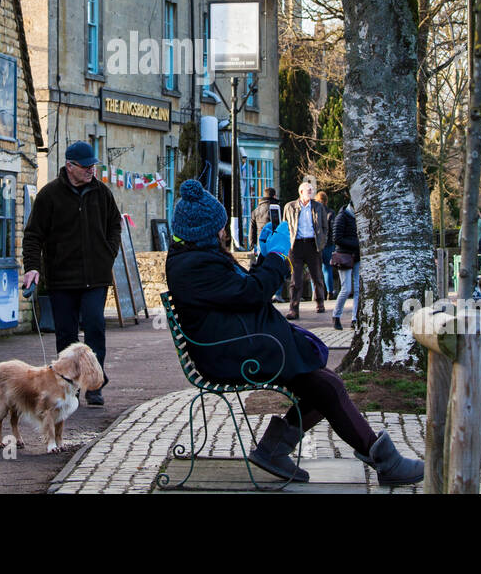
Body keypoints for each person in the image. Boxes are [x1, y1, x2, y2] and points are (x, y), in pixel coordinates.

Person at [164, 179, 423, 485]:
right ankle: (383, 461)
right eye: (220, 227)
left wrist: (263, 256)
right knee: (327, 387)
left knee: (324, 386)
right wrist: (275, 257)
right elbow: (251, 294)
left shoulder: (196, 257)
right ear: (206, 231)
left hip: (240, 345)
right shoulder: (195, 264)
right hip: (233, 352)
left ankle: (277, 449)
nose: (224, 232)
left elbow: (238, 293)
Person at [21, 141, 121, 406]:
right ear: (70, 166)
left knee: (95, 326)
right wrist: (32, 267)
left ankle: (95, 384)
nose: (91, 171)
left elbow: (115, 224)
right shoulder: (49, 195)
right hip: (61, 279)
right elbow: (33, 235)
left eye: (93, 166)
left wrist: (108, 251)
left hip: (95, 277)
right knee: (66, 334)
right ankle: (68, 386)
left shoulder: (102, 193)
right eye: (86, 166)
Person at [283, 179, 328, 318]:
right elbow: (285, 225)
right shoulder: (290, 207)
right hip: (296, 245)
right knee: (296, 278)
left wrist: (322, 241)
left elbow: (325, 227)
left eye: (312, 191)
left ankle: (320, 302)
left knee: (317, 275)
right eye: (308, 191)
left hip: (312, 244)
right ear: (301, 192)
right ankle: (294, 308)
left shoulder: (318, 207)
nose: (311, 193)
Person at [329, 194, 360, 330]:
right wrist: (357, 244)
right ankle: (336, 315)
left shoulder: (359, 217)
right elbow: (337, 238)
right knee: (346, 288)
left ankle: (355, 318)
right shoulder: (342, 217)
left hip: (357, 256)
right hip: (345, 256)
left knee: (358, 288)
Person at [316, 190, 336, 300]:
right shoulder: (331, 212)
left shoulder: (314, 211)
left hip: (316, 244)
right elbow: (333, 228)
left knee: (315, 269)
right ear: (326, 201)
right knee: (327, 268)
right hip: (328, 244)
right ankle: (330, 292)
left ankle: (316, 293)